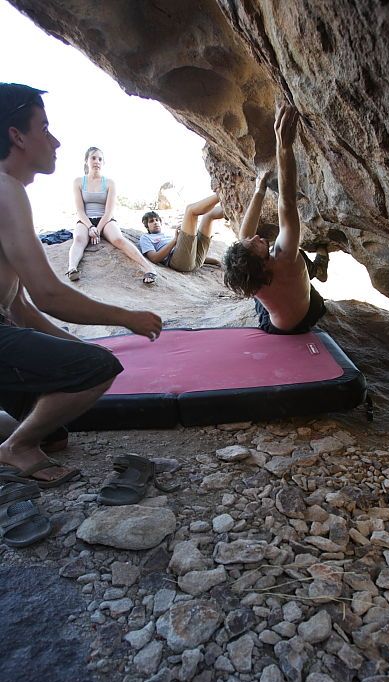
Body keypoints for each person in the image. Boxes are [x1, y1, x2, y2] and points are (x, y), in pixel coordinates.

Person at [0, 83, 162, 486]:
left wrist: (71, 344)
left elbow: (20, 308)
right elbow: (49, 294)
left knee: (54, 434)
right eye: (44, 127)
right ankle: (14, 449)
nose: (54, 141)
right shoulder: (5, 190)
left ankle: (23, 437)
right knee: (97, 367)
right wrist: (127, 318)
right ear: (16, 136)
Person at [223, 104, 329, 334]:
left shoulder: (253, 277)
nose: (258, 237)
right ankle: (318, 267)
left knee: (246, 271)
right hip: (310, 314)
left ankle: (317, 268)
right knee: (298, 253)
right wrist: (284, 145)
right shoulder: (285, 256)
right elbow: (287, 202)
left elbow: (245, 239)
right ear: (262, 262)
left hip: (279, 328)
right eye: (256, 244)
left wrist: (260, 190)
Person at [67, 146, 158, 285]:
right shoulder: (78, 182)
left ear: (103, 163)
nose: (97, 161)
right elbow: (79, 210)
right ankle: (72, 268)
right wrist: (90, 227)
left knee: (118, 239)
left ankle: (149, 268)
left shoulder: (109, 183)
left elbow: (109, 211)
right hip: (86, 220)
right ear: (86, 161)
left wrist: (97, 230)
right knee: (79, 239)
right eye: (93, 158)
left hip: (106, 219)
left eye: (100, 159)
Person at [139, 194, 223, 272]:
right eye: (151, 221)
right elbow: (154, 258)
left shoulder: (166, 235)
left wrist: (216, 262)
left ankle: (233, 205)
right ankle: (221, 193)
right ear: (147, 226)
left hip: (194, 261)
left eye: (157, 220)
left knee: (209, 215)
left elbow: (190, 253)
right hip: (178, 263)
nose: (155, 222)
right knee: (190, 210)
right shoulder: (145, 238)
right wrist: (175, 241)